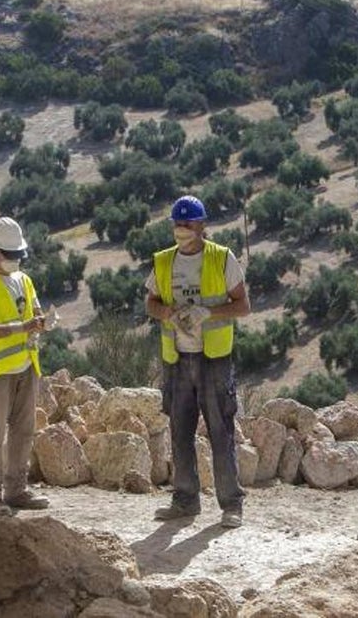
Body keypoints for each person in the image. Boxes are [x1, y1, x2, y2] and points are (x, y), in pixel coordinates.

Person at [145, 195, 250, 528]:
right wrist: (167, 314)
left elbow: (243, 305)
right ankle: (185, 501)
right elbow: (151, 301)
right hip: (177, 358)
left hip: (213, 359)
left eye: (188, 223)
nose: (181, 229)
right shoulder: (163, 262)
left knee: (221, 430)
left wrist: (208, 312)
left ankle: (231, 504)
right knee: (180, 431)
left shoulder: (221, 258)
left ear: (202, 225)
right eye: (177, 223)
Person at [0, 216, 57, 516]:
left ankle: (16, 490)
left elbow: (34, 310)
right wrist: (22, 327)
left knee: (23, 430)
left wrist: (41, 322)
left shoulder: (23, 281)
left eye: (19, 255)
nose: (16, 260)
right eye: (11, 255)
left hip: (25, 367)